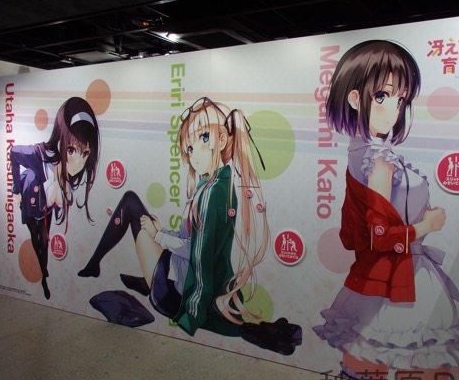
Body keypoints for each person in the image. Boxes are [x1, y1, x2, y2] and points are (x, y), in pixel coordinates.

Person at [313, 40, 459, 380]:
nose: (394, 108)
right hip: (400, 273)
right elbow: (380, 235)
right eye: (383, 95)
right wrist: (427, 225)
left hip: (393, 270)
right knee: (413, 362)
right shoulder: (378, 160)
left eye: (401, 98)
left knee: (379, 358)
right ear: (356, 99)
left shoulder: (363, 151)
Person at [78, 97, 301, 355]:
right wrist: (162, 232)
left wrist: (158, 236)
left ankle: (105, 267)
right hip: (180, 277)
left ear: (222, 140)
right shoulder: (214, 186)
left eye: (203, 139)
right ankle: (124, 273)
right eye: (190, 148)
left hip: (177, 294)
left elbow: (197, 253)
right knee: (135, 208)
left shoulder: (212, 192)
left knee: (130, 202)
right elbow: (194, 241)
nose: (194, 155)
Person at [11, 97, 100, 300]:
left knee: (45, 239)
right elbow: (13, 152)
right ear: (60, 138)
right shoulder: (39, 154)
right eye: (72, 150)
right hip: (30, 195)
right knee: (36, 236)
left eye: (85, 153)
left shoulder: (66, 173)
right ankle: (43, 272)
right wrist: (16, 190)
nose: (78, 163)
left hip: (47, 202)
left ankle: (44, 273)